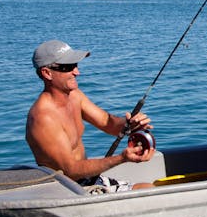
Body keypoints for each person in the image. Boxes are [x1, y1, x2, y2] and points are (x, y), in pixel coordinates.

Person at [26, 39, 155, 190]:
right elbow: (70, 170)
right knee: (149, 192)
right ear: (47, 73)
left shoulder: (74, 95)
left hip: (88, 179)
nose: (76, 72)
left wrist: (130, 125)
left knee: (150, 188)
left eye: (75, 65)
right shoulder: (43, 118)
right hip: (67, 189)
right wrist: (122, 158)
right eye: (67, 67)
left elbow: (107, 123)